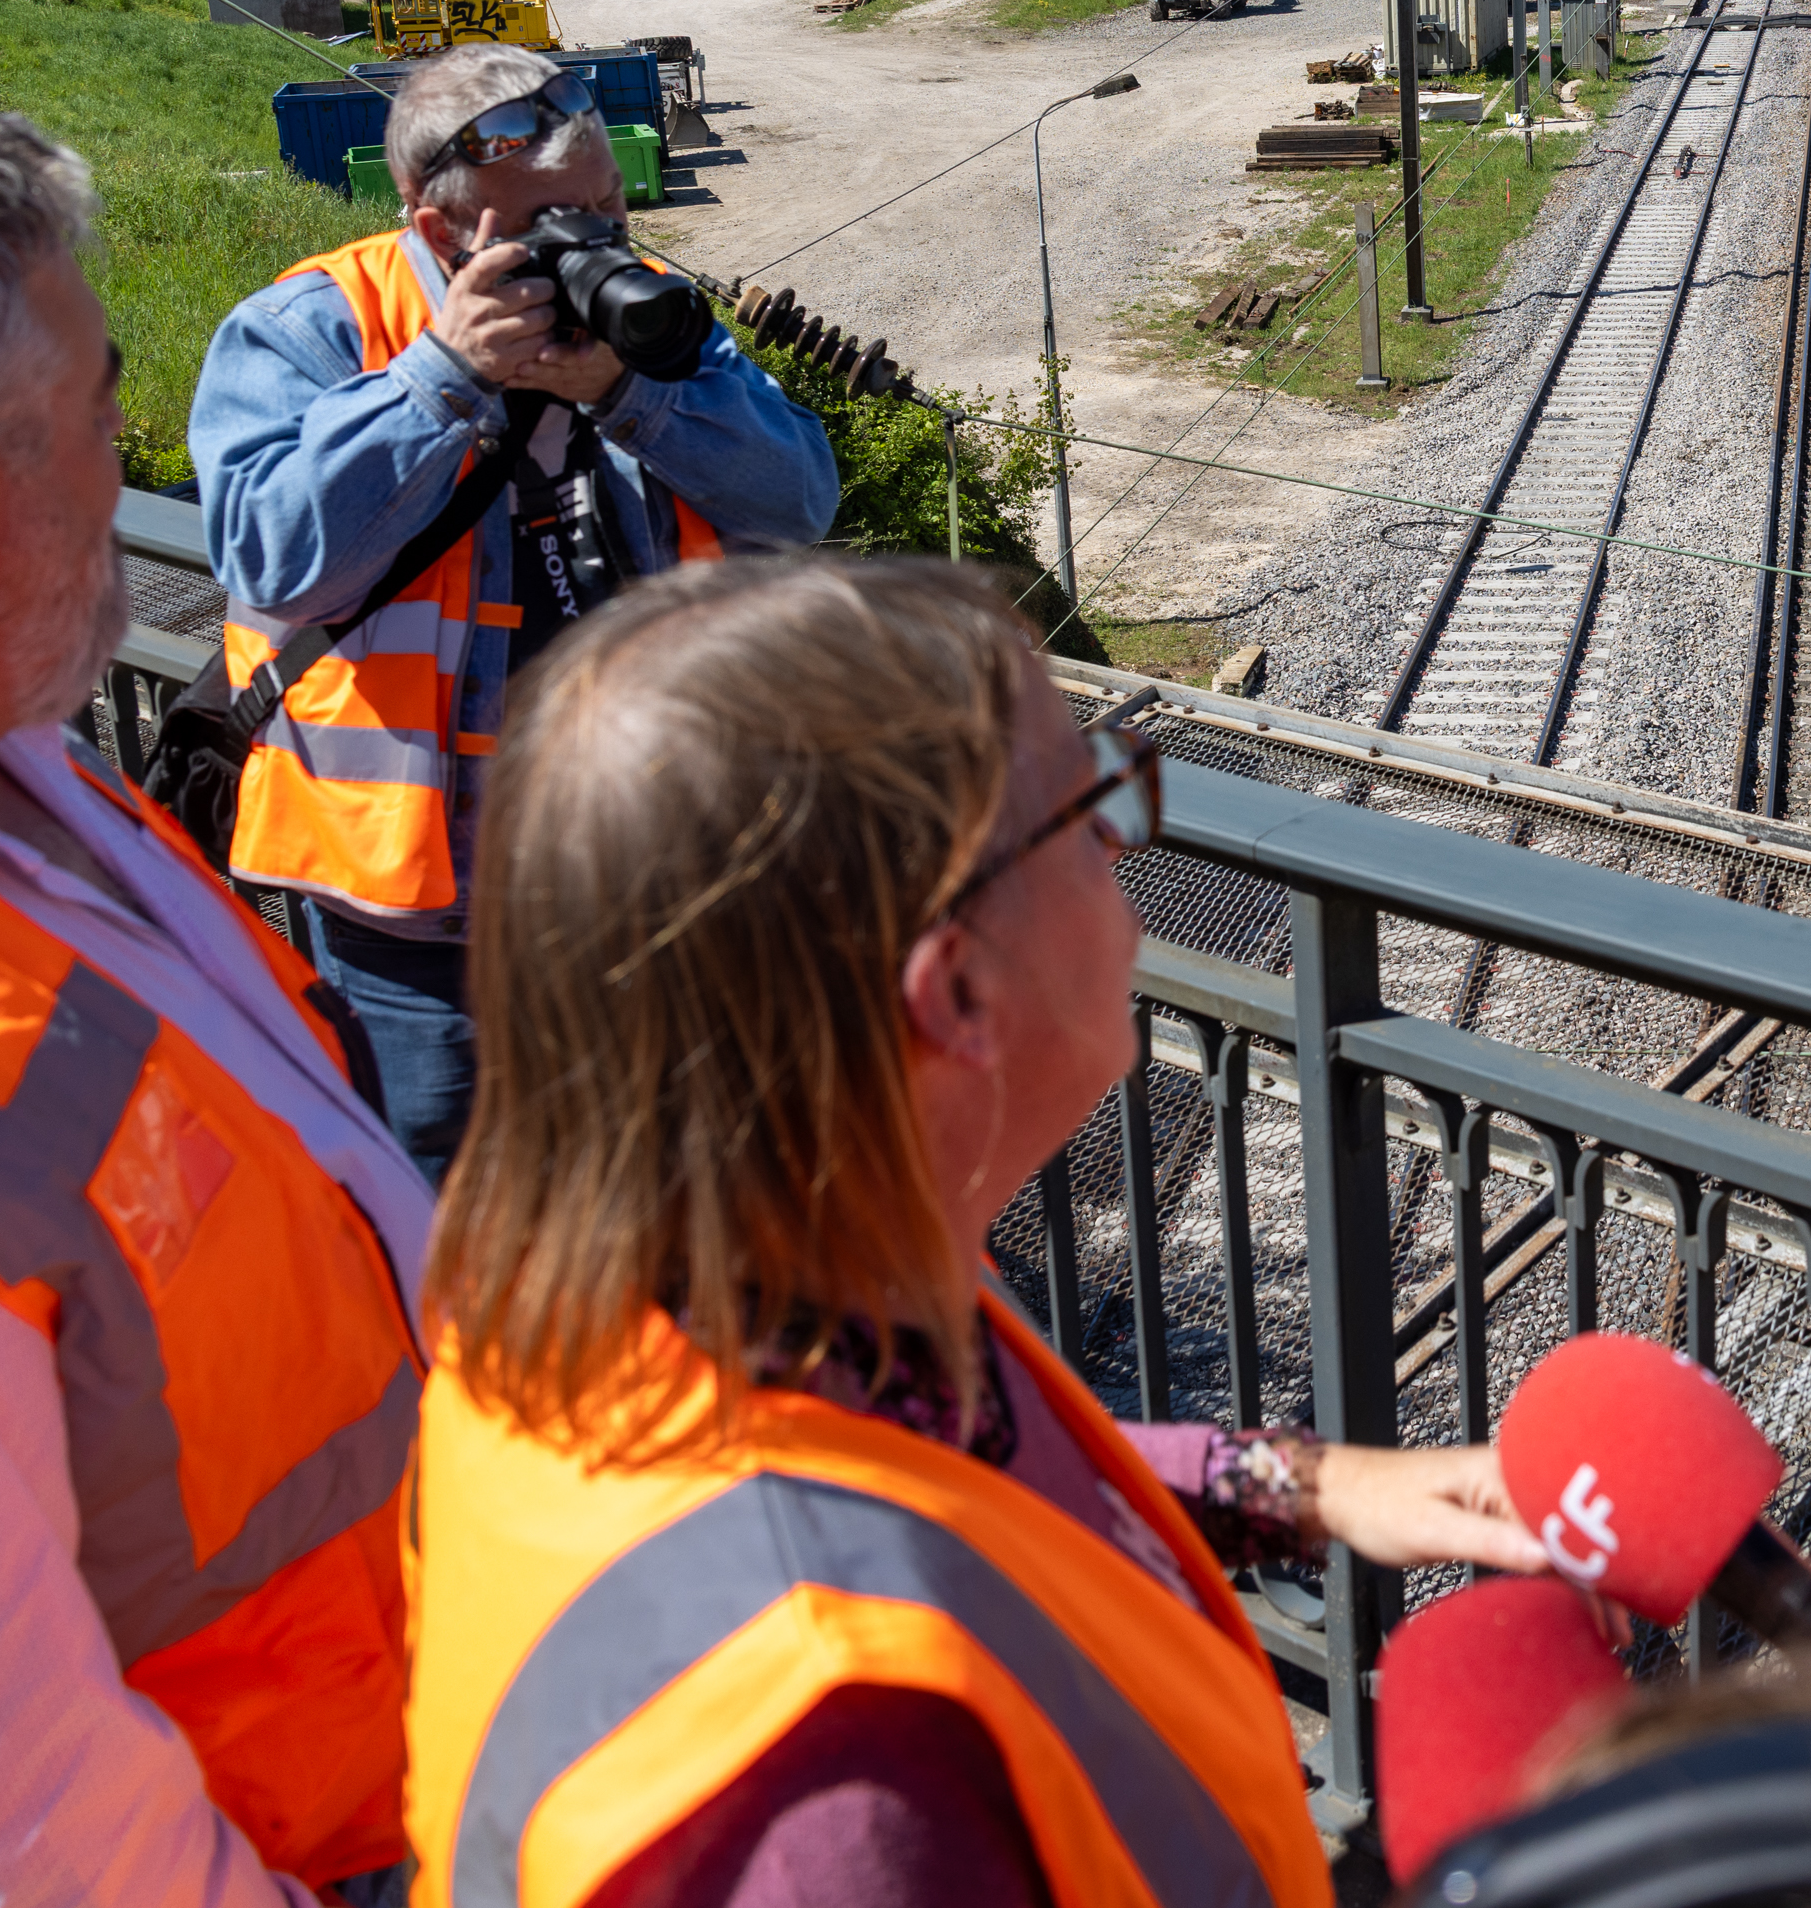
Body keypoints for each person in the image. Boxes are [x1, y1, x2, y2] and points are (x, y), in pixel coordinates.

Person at [404, 552, 1545, 1904]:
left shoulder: (665, 1290)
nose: (1133, 833)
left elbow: (936, 1490)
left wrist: (1301, 1485)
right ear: (956, 997)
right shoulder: (841, 1788)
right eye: (1093, 808)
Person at [0, 108, 436, 1900]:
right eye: (93, 420)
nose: (128, 467)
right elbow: (0, 1796)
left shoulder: (35, 787)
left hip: (426, 1762)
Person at [190, 41, 838, 1180]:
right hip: (429, 949)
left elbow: (798, 500)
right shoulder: (312, 329)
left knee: (674, 1246)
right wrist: (438, 383)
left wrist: (636, 395)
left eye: (607, 208)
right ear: (441, 231)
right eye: (555, 224)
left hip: (664, 904)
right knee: (455, 1265)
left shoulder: (649, 326)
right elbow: (268, 557)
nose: (598, 247)